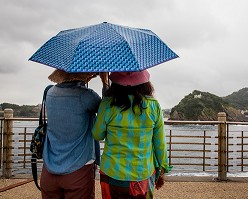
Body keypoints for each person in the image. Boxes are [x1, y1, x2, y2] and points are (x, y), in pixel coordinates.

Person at [92, 70, 172, 199]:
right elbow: (160, 144)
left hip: (111, 172)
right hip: (142, 174)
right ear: (144, 82)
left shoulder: (107, 104)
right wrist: (162, 170)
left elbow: (97, 135)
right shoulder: (153, 106)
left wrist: (104, 84)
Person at [40, 69, 108, 199]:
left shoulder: (49, 92)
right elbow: (107, 108)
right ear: (85, 75)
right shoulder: (85, 95)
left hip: (49, 169)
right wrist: (105, 82)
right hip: (79, 169)